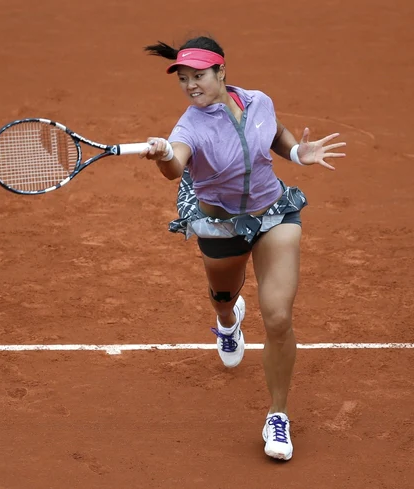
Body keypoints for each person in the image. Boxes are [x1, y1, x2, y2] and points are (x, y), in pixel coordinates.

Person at [139, 35, 346, 461]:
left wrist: (295, 151)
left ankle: (278, 415)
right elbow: (176, 164)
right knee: (224, 296)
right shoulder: (189, 127)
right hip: (221, 224)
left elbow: (275, 132)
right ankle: (228, 321)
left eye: (198, 76)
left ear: (222, 72)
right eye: (183, 79)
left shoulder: (258, 101)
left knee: (278, 315)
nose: (191, 85)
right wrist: (163, 156)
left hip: (274, 214)